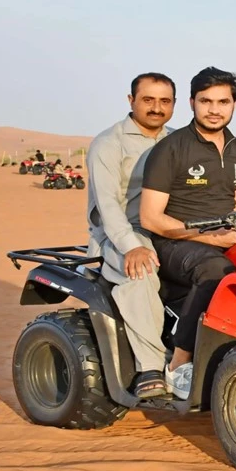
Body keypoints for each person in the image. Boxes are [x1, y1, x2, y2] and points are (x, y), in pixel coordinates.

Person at [140, 66, 236, 400]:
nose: (214, 109)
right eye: (206, 101)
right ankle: (179, 363)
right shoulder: (171, 148)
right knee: (216, 269)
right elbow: (151, 218)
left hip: (225, 238)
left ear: (234, 105)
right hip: (174, 242)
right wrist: (210, 239)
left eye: (222, 101)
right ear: (192, 103)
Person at [86, 72, 176, 397]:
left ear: (174, 105)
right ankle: (150, 368)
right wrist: (131, 247)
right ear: (131, 101)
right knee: (142, 271)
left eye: (164, 101)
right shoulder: (109, 144)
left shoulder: (179, 141)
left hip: (170, 229)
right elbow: (108, 206)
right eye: (148, 99)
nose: (156, 107)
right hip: (122, 233)